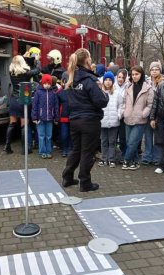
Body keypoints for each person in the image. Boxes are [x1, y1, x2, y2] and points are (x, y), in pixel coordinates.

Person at [61, 48, 109, 192]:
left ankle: (67, 177)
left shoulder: (69, 78)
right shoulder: (89, 80)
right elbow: (101, 101)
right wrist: (104, 93)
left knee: (76, 150)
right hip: (89, 120)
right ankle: (85, 182)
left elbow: (66, 99)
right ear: (87, 60)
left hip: (74, 120)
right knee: (87, 152)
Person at [3, 55, 40, 154]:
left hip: (13, 99)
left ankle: (7, 146)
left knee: (12, 124)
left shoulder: (11, 72)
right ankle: (24, 149)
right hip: (23, 100)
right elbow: (38, 70)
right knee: (24, 125)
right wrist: (37, 60)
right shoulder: (26, 73)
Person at [122, 65, 154, 170]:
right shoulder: (128, 87)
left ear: (142, 74)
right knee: (130, 142)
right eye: (133, 74)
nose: (134, 76)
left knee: (132, 142)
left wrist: (143, 114)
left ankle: (126, 160)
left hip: (140, 120)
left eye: (137, 74)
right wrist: (124, 112)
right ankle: (135, 162)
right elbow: (124, 102)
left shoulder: (148, 88)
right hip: (128, 118)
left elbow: (150, 104)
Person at [31, 74, 59, 159]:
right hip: (40, 118)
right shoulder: (38, 93)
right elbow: (34, 105)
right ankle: (42, 152)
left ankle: (48, 151)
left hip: (50, 118)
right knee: (41, 136)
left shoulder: (53, 94)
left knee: (49, 136)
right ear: (42, 83)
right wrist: (34, 117)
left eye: (49, 83)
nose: (47, 85)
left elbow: (56, 106)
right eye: (46, 83)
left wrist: (56, 118)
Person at [142, 61, 163, 165]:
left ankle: (157, 157)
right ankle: (147, 155)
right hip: (148, 111)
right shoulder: (146, 82)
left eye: (156, 69)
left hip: (158, 112)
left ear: (160, 70)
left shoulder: (163, 82)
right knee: (148, 135)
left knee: (157, 136)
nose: (154, 71)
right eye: (152, 69)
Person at [99, 71, 122, 168]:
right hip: (102, 121)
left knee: (112, 141)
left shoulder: (117, 93)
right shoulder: (100, 93)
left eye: (110, 80)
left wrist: (118, 115)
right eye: (106, 80)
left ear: (113, 81)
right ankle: (104, 158)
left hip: (113, 121)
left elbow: (121, 105)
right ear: (103, 81)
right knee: (104, 141)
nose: (108, 82)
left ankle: (111, 159)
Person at [115, 69, 129, 163]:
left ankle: (124, 155)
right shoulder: (113, 86)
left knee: (123, 137)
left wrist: (122, 113)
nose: (120, 79)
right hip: (113, 115)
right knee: (113, 138)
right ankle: (114, 156)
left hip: (123, 116)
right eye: (119, 77)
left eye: (122, 77)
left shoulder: (128, 87)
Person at [57, 72, 72, 157]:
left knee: (71, 135)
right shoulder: (59, 92)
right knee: (64, 135)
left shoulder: (74, 91)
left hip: (72, 117)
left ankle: (70, 149)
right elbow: (57, 105)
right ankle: (64, 149)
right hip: (63, 117)